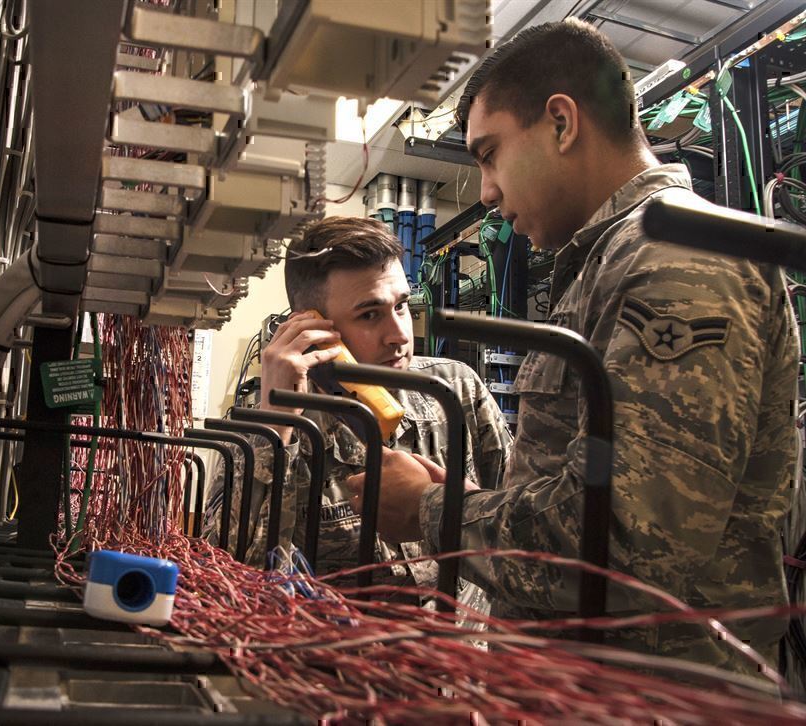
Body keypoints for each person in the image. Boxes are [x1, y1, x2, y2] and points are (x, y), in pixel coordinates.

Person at [344, 18, 801, 673]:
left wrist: (434, 512)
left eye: (489, 154)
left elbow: (633, 548)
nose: (487, 192)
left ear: (561, 122)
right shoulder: (611, 261)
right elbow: (580, 489)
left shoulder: (677, 259)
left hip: (655, 697)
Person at [202, 216, 512, 603]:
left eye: (401, 306)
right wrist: (277, 421)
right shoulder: (262, 432)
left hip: (469, 654)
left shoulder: (455, 391)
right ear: (311, 328)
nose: (400, 335)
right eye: (370, 314)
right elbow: (224, 580)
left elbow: (520, 523)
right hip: (346, 659)